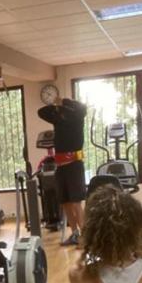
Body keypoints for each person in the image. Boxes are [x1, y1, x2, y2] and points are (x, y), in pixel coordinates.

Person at [37, 96, 87, 246]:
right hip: (61, 167)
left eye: (62, 110)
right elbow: (41, 112)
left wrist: (64, 101)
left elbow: (82, 108)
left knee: (76, 202)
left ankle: (85, 238)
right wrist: (55, 105)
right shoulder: (58, 120)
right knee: (65, 202)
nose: (59, 112)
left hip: (74, 166)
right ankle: (75, 234)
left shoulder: (77, 119)